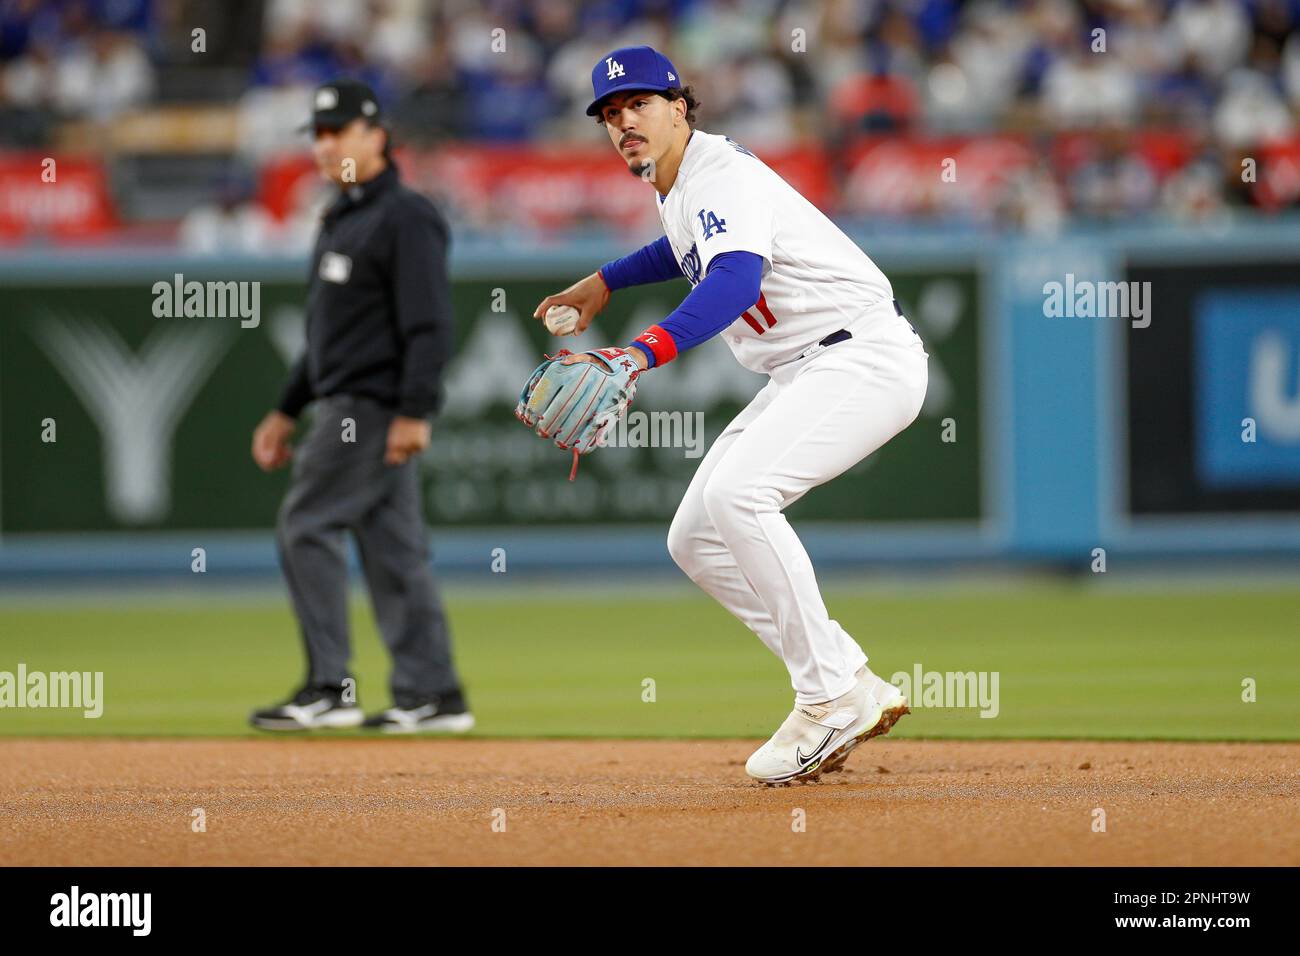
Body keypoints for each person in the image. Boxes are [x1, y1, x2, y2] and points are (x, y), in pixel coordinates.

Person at [533, 47, 927, 784]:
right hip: (808, 366)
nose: (625, 123)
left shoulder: (723, 174)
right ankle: (846, 676)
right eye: (612, 115)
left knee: (737, 495)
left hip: (862, 355)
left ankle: (828, 696)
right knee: (696, 537)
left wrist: (638, 353)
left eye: (640, 105)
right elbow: (683, 248)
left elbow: (734, 278)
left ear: (680, 107)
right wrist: (605, 282)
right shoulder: (680, 180)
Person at [249, 78, 471, 734]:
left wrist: (415, 411)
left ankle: (330, 686)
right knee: (394, 551)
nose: (324, 145)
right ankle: (432, 694)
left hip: (369, 409)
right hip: (345, 399)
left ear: (376, 135)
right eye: (317, 134)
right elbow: (323, 338)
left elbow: (430, 326)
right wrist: (286, 409)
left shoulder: (406, 216)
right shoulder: (340, 214)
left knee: (306, 525)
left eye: (337, 131)